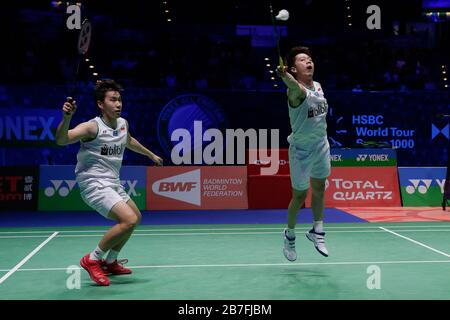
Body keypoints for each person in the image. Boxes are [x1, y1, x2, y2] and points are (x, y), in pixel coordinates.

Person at [55, 79, 163, 286]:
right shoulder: (91, 127)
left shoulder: (123, 124)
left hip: (113, 183)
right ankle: (92, 259)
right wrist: (66, 118)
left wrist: (151, 155)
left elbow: (128, 140)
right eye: (113, 100)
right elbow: (62, 140)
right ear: (100, 104)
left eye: (119, 100)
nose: (118, 104)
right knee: (128, 220)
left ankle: (110, 261)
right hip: (93, 184)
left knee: (136, 218)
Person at [276, 46, 331, 261]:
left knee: (319, 189)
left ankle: (317, 231)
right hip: (301, 151)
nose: (308, 61)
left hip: (321, 145)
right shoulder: (295, 91)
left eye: (310, 58)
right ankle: (289, 234)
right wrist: (285, 76)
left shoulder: (318, 86)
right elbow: (293, 86)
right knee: (299, 196)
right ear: (293, 68)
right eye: (302, 59)